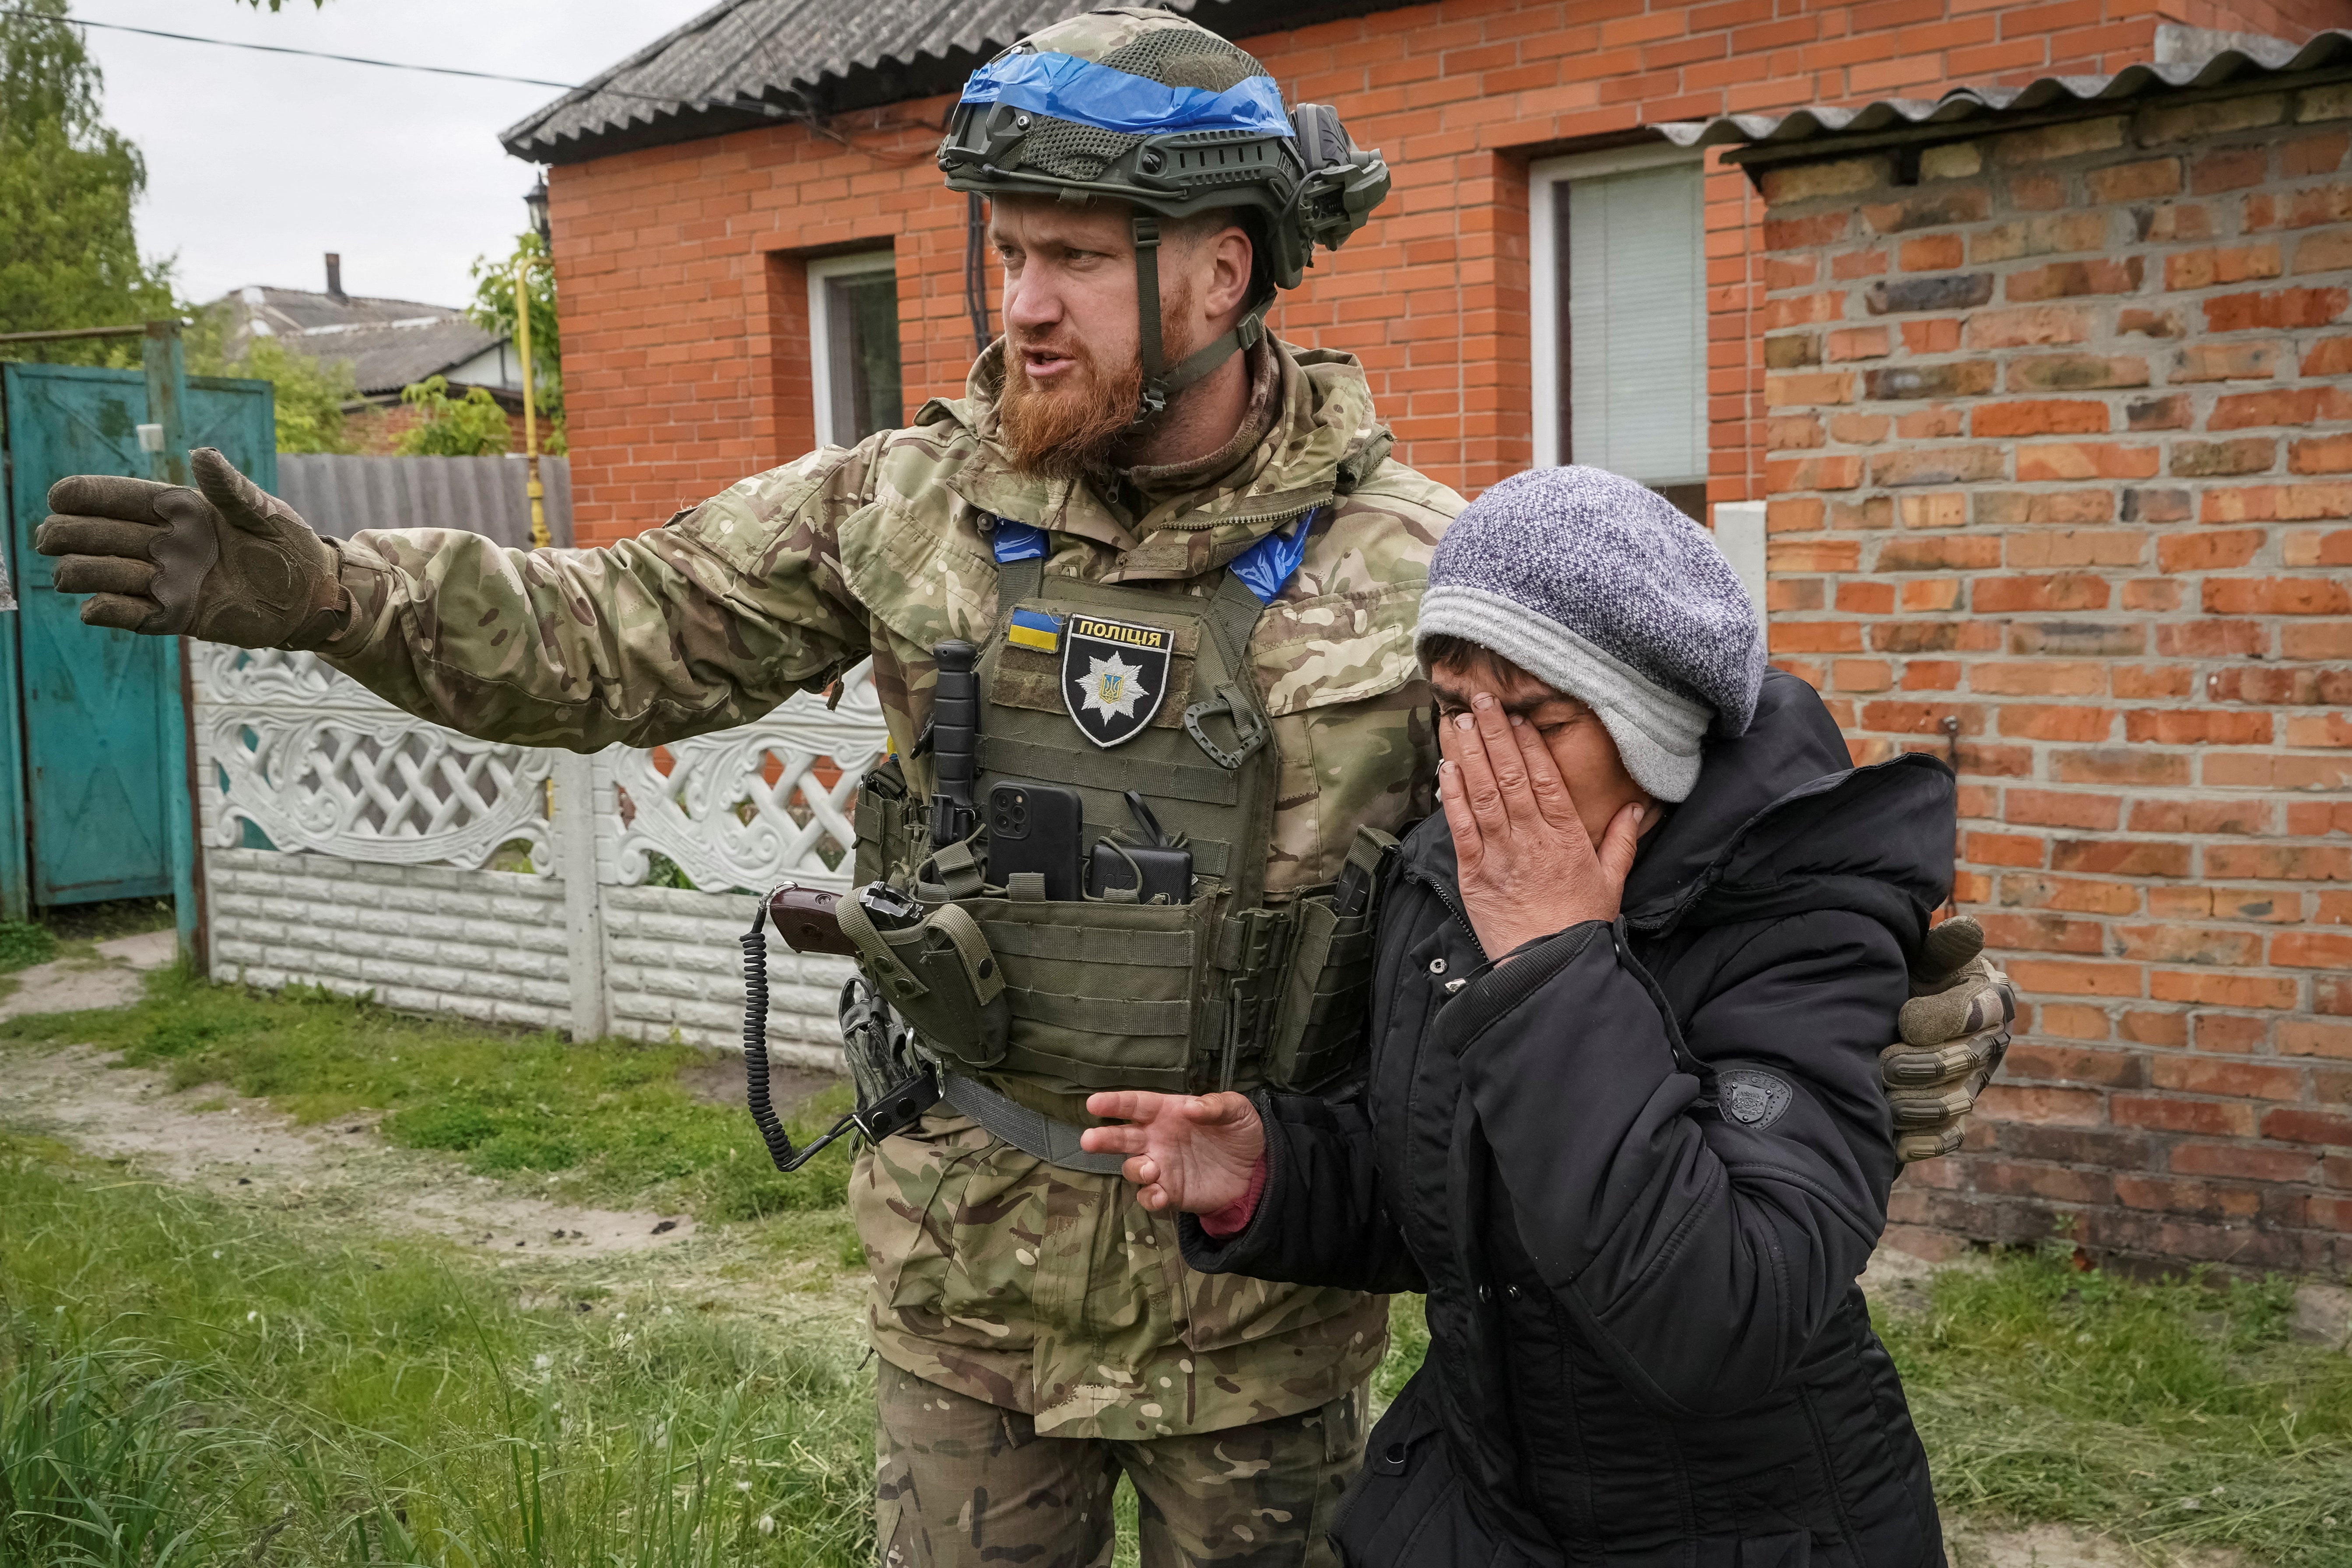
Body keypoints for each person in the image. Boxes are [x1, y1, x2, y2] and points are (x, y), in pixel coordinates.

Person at [32, 10, 2003, 1561]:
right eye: (1007, 251)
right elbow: (611, 626)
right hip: (965, 1288)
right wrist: (332, 593)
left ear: (1220, 273)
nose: (1016, 301)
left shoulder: (1425, 567)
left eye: (1069, 257)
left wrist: (1891, 1006)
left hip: (1267, 1307)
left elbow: (1685, 810)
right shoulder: (902, 507)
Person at [1082, 466, 1972, 1566]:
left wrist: (1557, 960)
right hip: (1486, 1503)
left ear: (1651, 725)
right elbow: (1462, 1195)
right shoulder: (1444, 880)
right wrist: (1280, 1169)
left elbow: (1719, 1315)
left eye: (1537, 719)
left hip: (1741, 1527)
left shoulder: (1798, 911)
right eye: (1455, 711)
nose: (1478, 762)